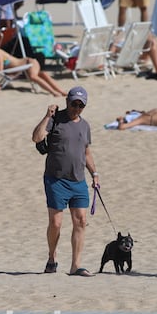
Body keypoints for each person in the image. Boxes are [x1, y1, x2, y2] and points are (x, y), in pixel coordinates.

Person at [31, 87, 99, 277]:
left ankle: (75, 265)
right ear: (67, 101)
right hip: (56, 179)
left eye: (81, 105)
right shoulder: (55, 119)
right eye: (74, 103)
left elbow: (86, 153)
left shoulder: (85, 126)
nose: (76, 108)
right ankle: (52, 258)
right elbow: (36, 137)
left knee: (81, 221)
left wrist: (94, 173)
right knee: (56, 223)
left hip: (78, 180)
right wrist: (47, 116)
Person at [0, 43, 66, 97]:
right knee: (42, 75)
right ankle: (61, 92)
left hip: (29, 62)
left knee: (33, 76)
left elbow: (0, 69)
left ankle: (54, 92)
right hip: (25, 67)